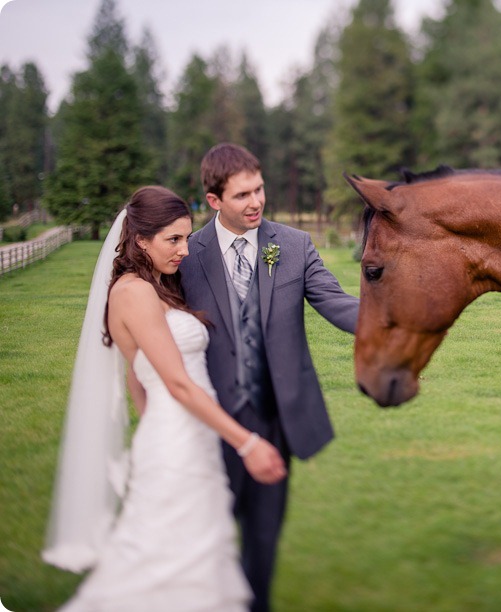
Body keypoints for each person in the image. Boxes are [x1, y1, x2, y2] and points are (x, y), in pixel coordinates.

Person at [42, 186, 287, 611]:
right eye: (173, 240)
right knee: (162, 561)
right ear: (140, 239)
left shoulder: (157, 286)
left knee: (199, 555)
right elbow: (176, 384)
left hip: (186, 438)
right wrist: (246, 443)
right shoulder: (133, 292)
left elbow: (137, 379)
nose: (185, 251)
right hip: (175, 443)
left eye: (186, 237)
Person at [179, 143, 360, 612]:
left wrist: (404, 316)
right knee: (204, 542)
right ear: (214, 200)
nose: (256, 201)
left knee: (262, 543)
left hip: (276, 422)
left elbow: (338, 305)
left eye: (259, 189)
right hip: (209, 425)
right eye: (242, 195)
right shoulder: (189, 254)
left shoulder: (294, 246)